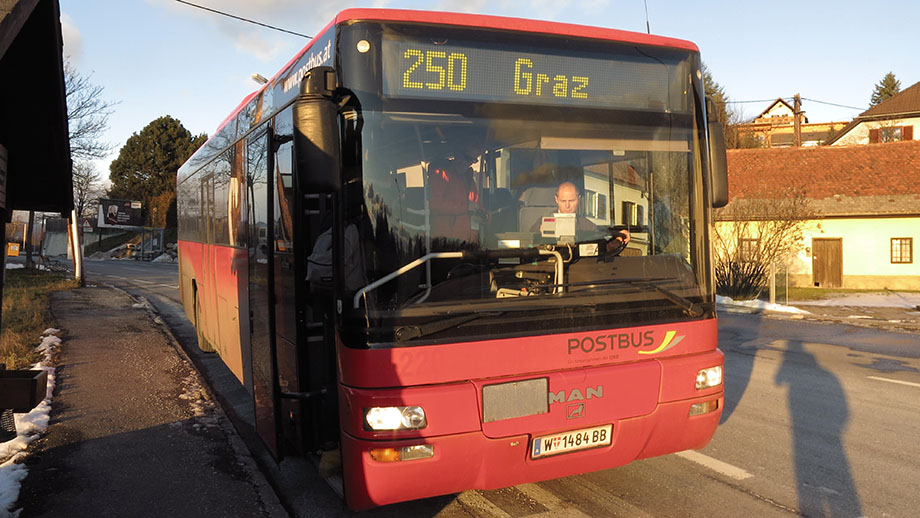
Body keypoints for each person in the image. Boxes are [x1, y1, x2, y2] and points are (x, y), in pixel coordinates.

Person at [530, 181, 631, 250]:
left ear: (579, 199)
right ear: (556, 199)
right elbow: (529, 244)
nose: (567, 205)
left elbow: (602, 247)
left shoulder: (587, 226)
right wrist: (540, 235)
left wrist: (618, 237)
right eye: (563, 201)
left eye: (571, 201)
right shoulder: (542, 223)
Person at [427, 142, 481, 243]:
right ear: (457, 153)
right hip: (446, 242)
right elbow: (433, 204)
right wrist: (464, 208)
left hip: (469, 242)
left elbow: (475, 205)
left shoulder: (468, 178)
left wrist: (484, 214)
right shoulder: (441, 174)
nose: (470, 163)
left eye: (473, 160)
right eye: (467, 158)